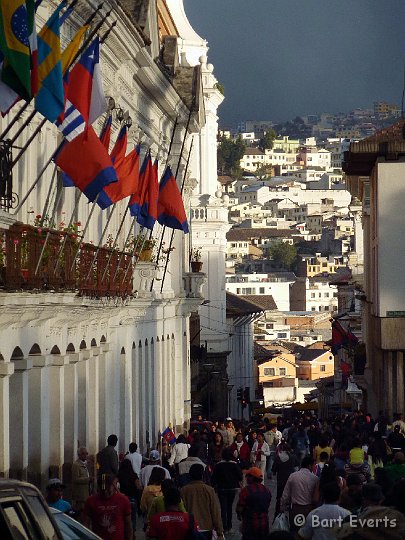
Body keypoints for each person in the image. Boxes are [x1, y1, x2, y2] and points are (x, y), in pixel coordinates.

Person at [83, 473, 133, 540]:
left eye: (108, 490)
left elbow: (128, 525)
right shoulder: (90, 501)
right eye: (103, 491)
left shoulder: (123, 500)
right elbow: (85, 524)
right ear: (98, 487)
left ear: (113, 486)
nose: (106, 493)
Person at [180, 464, 224, 539]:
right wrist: (220, 532)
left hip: (190, 527)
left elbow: (181, 510)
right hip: (206, 527)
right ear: (203, 475)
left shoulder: (184, 490)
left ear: (190, 475)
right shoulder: (209, 490)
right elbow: (215, 512)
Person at [280, 456, 319, 531]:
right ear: (309, 465)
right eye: (313, 465)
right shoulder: (315, 479)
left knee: (294, 532)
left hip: (295, 510)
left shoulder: (293, 476)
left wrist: (282, 507)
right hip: (308, 510)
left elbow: (285, 495)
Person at [211, 447, 243, 533]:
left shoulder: (218, 465)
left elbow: (214, 478)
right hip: (232, 488)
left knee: (223, 508)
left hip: (222, 489)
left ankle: (223, 527)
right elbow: (240, 476)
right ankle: (229, 526)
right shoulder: (234, 464)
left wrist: (214, 486)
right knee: (229, 507)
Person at [236, 467, 271, 540]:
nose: (246, 478)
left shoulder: (246, 490)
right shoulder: (267, 490)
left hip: (250, 523)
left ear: (252, 478)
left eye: (248, 476)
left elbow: (239, 508)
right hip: (264, 523)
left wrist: (239, 515)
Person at [271, 440, 297, 517]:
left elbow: (274, 470)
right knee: (291, 499)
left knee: (279, 499)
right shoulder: (293, 457)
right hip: (291, 481)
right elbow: (297, 468)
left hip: (281, 481)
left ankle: (277, 516)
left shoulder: (278, 457)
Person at [118, 457, 141, 532]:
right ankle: (132, 533)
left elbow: (114, 483)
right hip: (132, 499)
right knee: (132, 517)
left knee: (122, 517)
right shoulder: (134, 475)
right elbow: (138, 487)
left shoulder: (119, 475)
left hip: (122, 498)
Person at [71, 446, 92, 515]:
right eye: (83, 453)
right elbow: (75, 479)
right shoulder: (76, 465)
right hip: (80, 495)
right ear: (79, 455)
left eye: (86, 453)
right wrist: (88, 479)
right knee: (80, 513)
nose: (85, 455)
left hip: (86, 493)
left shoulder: (85, 464)